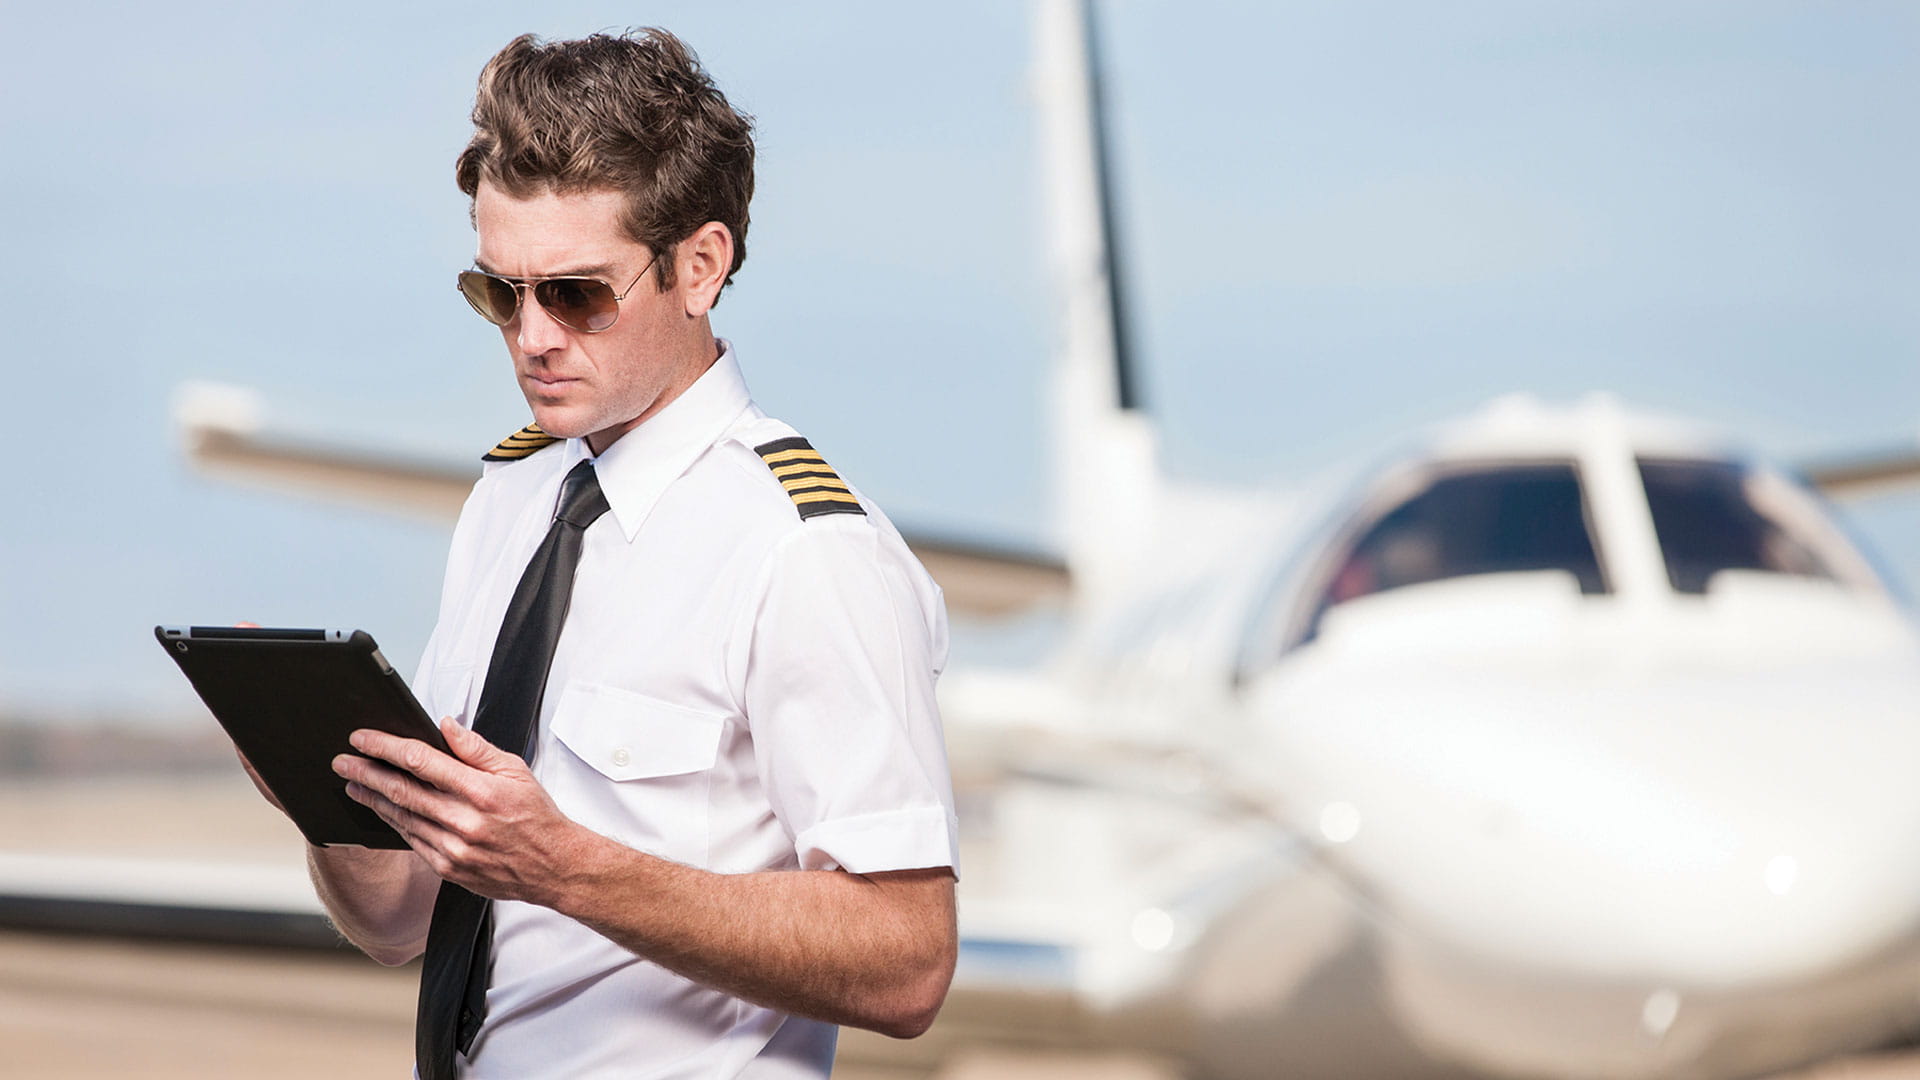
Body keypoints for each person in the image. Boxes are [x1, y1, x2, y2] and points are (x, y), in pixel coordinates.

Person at [245, 28, 959, 1079]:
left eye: (577, 294)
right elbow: (399, 921)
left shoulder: (805, 550)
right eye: (500, 292)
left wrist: (564, 867)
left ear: (700, 267)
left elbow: (907, 963)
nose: (533, 336)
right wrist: (317, 792)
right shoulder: (513, 497)